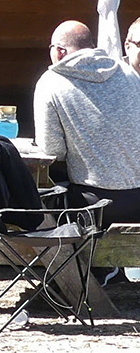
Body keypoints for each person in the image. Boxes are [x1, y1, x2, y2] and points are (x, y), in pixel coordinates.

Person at [34, 20, 140, 223]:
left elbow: (53, 151)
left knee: (41, 197)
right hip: (138, 199)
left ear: (59, 51)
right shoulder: (129, 74)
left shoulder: (50, 83)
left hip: (93, 204)